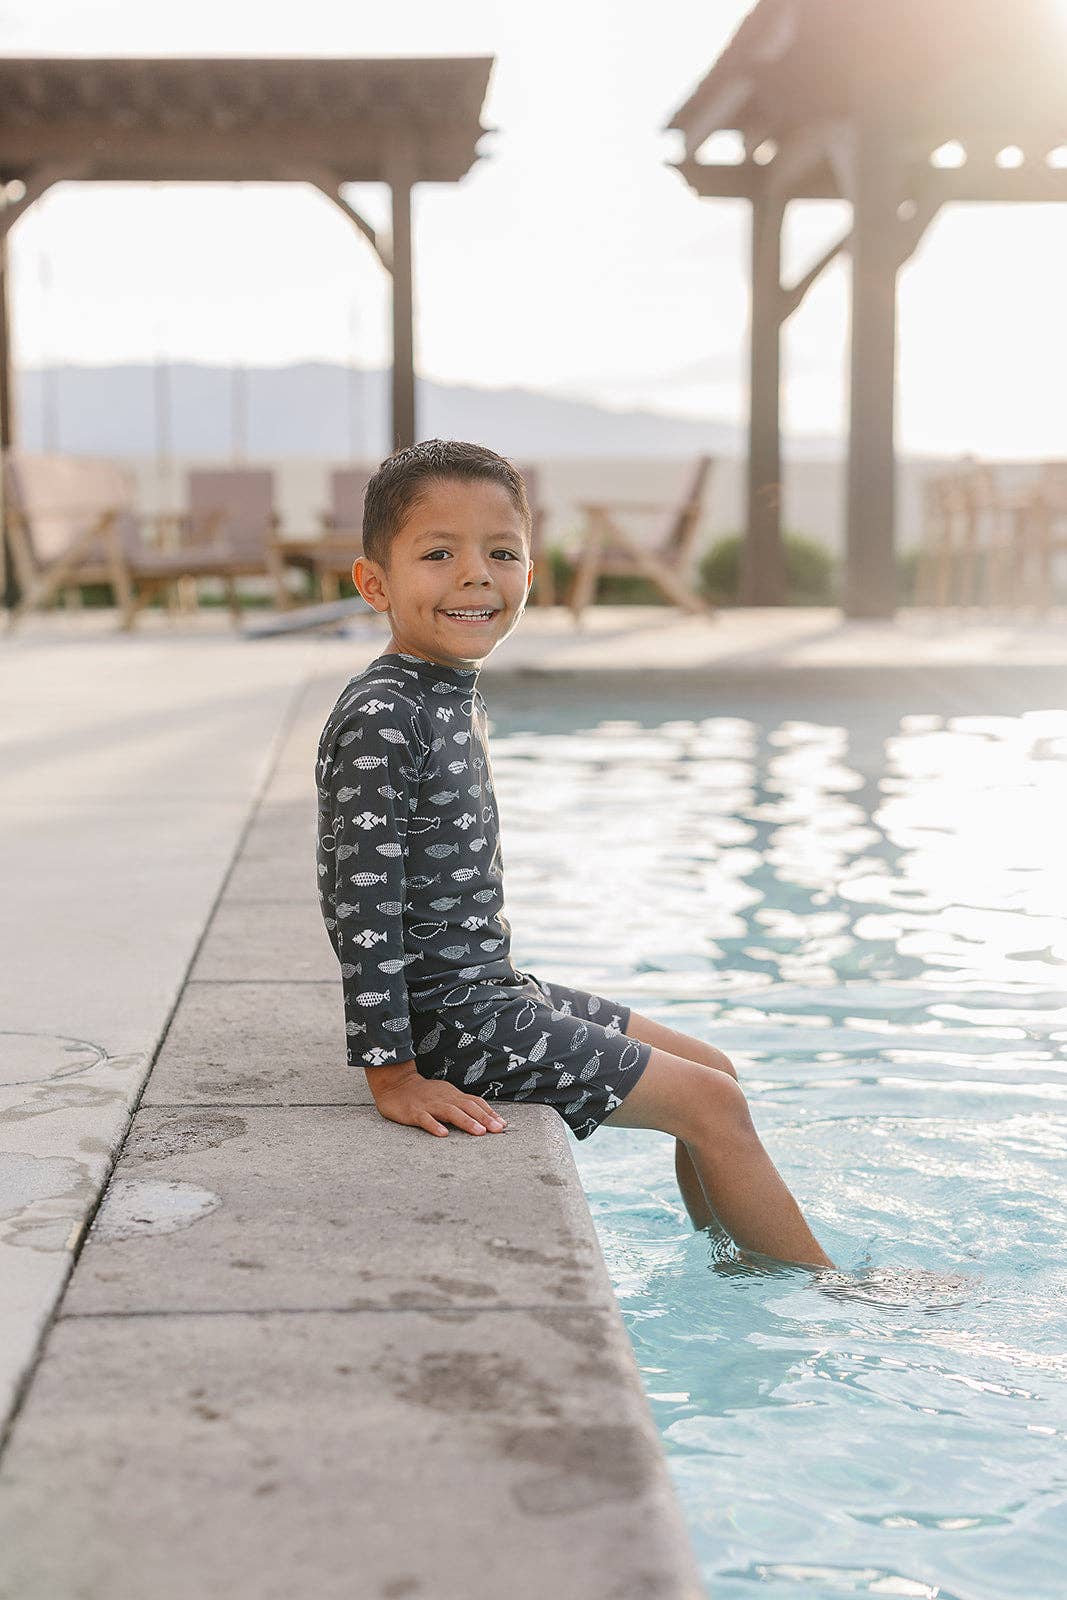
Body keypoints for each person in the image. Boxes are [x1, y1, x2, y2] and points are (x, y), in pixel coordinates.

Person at [315, 439, 834, 1271]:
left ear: (530, 574)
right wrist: (394, 1073)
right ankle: (828, 1296)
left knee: (714, 1071)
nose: (475, 574)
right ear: (373, 582)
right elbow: (359, 905)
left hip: (487, 991)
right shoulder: (385, 713)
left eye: (501, 553)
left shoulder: (439, 692)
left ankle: (737, 1258)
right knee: (707, 1102)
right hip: (453, 1023)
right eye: (438, 553)